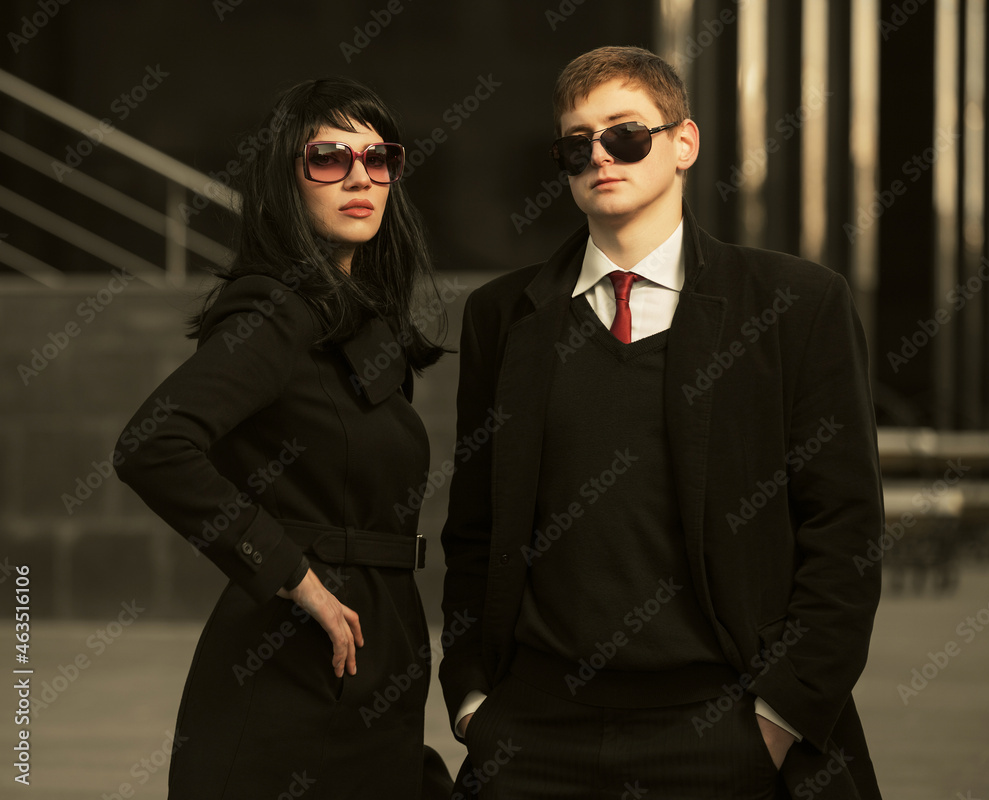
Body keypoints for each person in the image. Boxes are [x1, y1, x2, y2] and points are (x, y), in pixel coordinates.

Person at [439, 46, 883, 799]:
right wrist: (473, 697)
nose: (599, 157)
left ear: (685, 143)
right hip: (535, 735)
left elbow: (844, 532)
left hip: (728, 726)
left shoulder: (796, 305)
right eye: (576, 144)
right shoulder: (502, 317)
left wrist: (779, 718)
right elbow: (476, 525)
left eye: (626, 135)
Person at [116, 77, 452, 798]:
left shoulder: (361, 326)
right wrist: (293, 576)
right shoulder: (275, 313)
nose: (360, 176)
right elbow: (152, 443)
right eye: (329, 158)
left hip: (375, 666)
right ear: (287, 182)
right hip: (291, 676)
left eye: (378, 157)